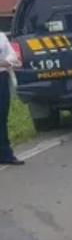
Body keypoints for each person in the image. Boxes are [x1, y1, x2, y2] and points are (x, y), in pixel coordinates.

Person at [0, 31, 24, 165]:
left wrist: (5, 62)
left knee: (2, 116)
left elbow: (13, 57)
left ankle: (5, 154)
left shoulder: (1, 36)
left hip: (2, 79)